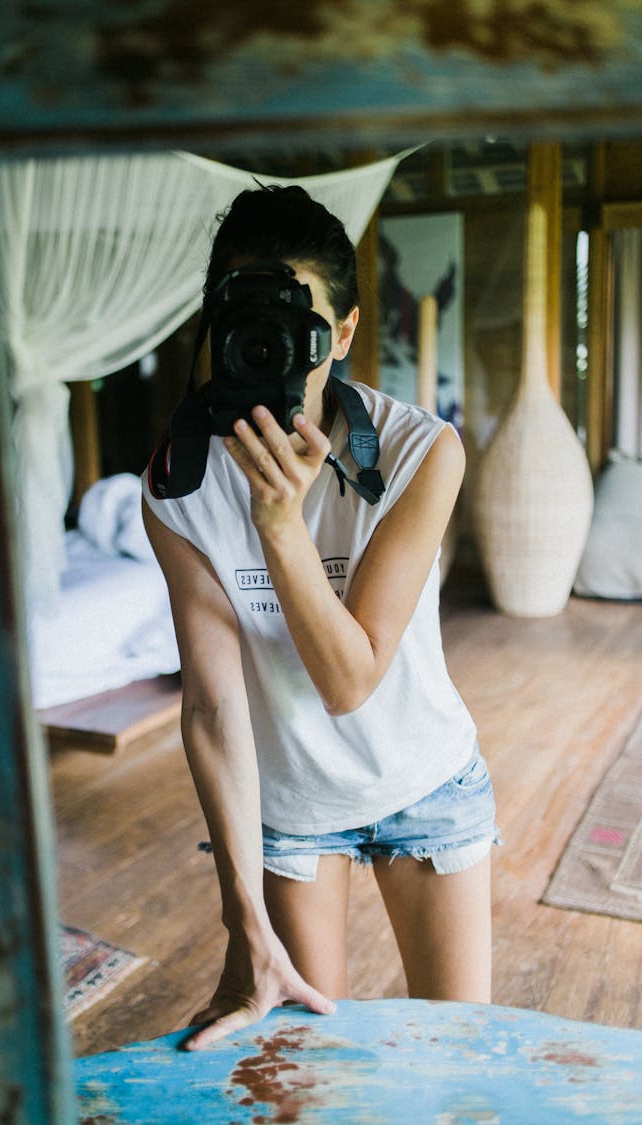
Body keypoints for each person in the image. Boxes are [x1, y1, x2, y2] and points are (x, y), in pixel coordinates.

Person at [141, 184, 499, 1052]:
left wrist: (278, 524)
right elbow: (214, 707)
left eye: (295, 331)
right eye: (245, 324)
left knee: (457, 1067)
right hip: (295, 805)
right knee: (304, 1075)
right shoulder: (177, 486)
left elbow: (351, 678)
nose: (269, 358)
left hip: (426, 783)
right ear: (218, 327)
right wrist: (241, 921)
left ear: (340, 336)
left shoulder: (423, 450)